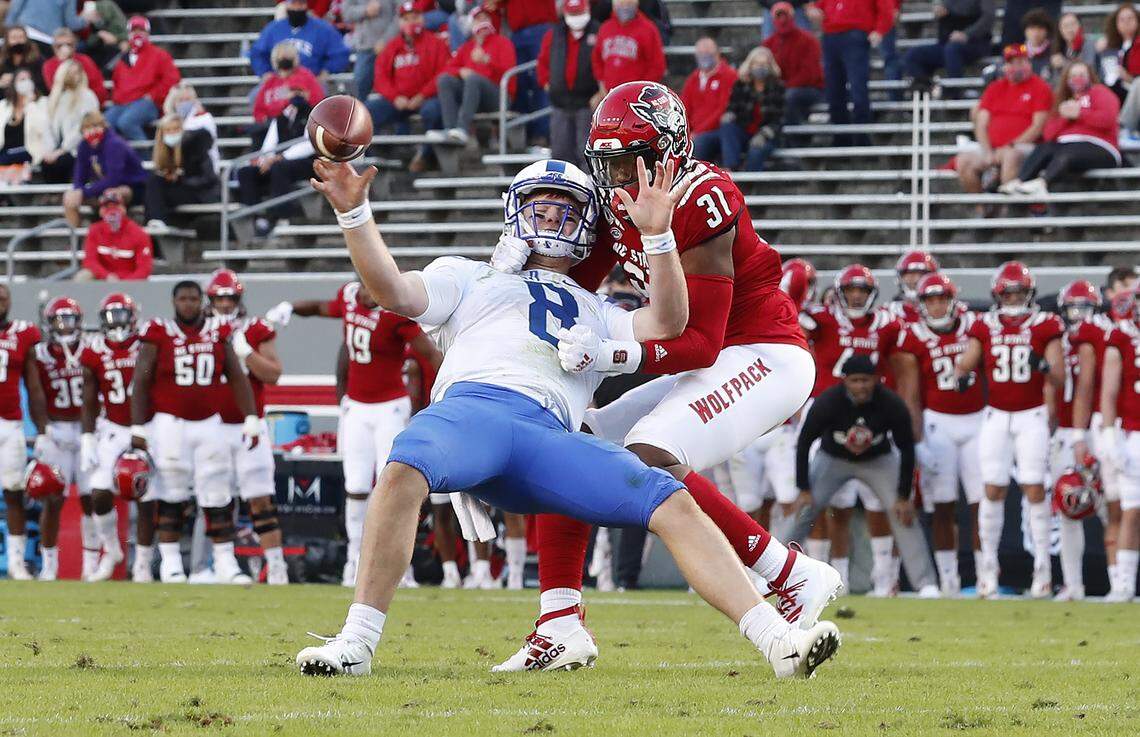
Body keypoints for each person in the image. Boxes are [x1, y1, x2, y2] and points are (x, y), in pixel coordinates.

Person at [294, 155, 840, 679]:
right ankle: (358, 641)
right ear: (513, 213)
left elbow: (672, 323)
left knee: (668, 496)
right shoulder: (467, 276)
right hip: (472, 412)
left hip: (549, 441)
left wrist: (658, 236)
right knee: (403, 465)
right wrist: (354, 215)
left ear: (589, 222)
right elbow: (391, 289)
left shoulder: (602, 309)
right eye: (540, 205)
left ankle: (778, 640)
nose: (552, 216)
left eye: (565, 207)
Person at [491, 82, 841, 670]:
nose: (622, 177)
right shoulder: (616, 201)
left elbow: (700, 344)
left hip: (763, 351)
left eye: (634, 160)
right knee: (571, 448)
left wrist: (608, 355)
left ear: (670, 152)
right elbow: (572, 290)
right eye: (611, 163)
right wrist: (506, 281)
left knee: (649, 450)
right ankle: (559, 620)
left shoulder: (703, 197)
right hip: (711, 355)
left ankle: (789, 573)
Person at [266, 280, 443, 587]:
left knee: (394, 487)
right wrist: (291, 307)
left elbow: (431, 353)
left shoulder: (396, 312)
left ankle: (400, 566)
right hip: (358, 409)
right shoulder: (349, 297)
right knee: (357, 486)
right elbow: (322, 308)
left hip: (390, 407)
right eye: (365, 285)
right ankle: (354, 561)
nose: (367, 293)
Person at [129, 281, 261, 584]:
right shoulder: (158, 331)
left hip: (209, 423)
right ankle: (171, 563)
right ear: (174, 302)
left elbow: (236, 377)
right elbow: (142, 381)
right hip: (170, 423)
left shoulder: (218, 331)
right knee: (171, 493)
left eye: (192, 299)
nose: (188, 304)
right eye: (182, 299)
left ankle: (225, 562)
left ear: (201, 301)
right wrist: (138, 425)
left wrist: (251, 416)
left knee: (217, 493)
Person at [954, 261, 1064, 598]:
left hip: (1031, 414)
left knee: (1034, 488)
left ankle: (1042, 570)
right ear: (998, 294)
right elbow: (963, 367)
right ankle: (988, 569)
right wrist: (965, 376)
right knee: (993, 489)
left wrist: (1042, 365)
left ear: (1029, 294)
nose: (1014, 297)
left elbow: (1059, 377)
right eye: (1009, 292)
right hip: (997, 416)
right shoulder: (984, 325)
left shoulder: (1046, 324)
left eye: (1019, 292)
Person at [792, 354, 938, 595]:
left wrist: (903, 495)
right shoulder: (828, 401)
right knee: (803, 509)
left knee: (903, 513)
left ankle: (926, 584)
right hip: (833, 459)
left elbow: (906, 448)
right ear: (845, 381)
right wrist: (804, 488)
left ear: (876, 380)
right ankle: (769, 573)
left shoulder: (891, 403)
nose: (861, 386)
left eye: (866, 380)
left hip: (877, 460)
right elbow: (805, 441)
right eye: (855, 381)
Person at [799, 265, 904, 596]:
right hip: (828, 416)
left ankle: (884, 579)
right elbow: (791, 325)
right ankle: (830, 578)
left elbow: (902, 363)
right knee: (833, 505)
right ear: (839, 294)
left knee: (878, 503)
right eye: (851, 290)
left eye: (862, 290)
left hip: (873, 418)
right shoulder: (822, 319)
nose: (857, 296)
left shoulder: (887, 325)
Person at [892, 273, 984, 597]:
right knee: (943, 505)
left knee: (980, 504)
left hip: (978, 420)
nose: (936, 305)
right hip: (938, 423)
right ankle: (949, 580)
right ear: (921, 304)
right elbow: (910, 394)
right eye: (930, 300)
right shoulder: (912, 336)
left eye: (942, 298)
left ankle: (985, 576)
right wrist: (917, 442)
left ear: (953, 300)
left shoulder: (975, 325)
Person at [204, 270, 290, 586]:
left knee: (261, 497)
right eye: (219, 297)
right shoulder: (201, 330)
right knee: (216, 497)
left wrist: (245, 351)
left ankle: (276, 566)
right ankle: (222, 563)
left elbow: (273, 374)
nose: (224, 303)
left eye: (230, 297)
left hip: (249, 426)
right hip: (210, 426)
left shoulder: (254, 329)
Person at [1045, 280, 1106, 601]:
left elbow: (1090, 387)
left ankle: (1120, 582)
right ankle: (1073, 583)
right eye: (1072, 308)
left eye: (1084, 308)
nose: (1078, 315)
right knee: (1067, 506)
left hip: (1097, 427)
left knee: (1113, 508)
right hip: (1066, 431)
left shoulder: (1101, 337)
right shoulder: (1057, 342)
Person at [79, 293, 144, 581]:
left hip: (147, 426)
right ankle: (112, 549)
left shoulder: (147, 345)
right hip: (113, 426)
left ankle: (144, 563)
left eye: (121, 315)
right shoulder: (94, 350)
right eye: (110, 316)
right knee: (99, 491)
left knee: (149, 495)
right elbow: (89, 398)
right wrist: (87, 436)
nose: (116, 323)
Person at [31, 298, 94, 581]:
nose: (64, 327)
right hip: (56, 430)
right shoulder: (40, 354)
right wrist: (44, 430)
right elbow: (36, 393)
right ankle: (49, 565)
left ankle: (92, 565)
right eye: (58, 320)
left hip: (88, 430)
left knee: (90, 498)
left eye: (69, 320)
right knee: (53, 500)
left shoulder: (93, 348)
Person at [1004, 62, 1121, 197]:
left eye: (1082, 75)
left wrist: (1080, 113)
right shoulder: (1061, 101)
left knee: (1067, 154)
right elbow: (1048, 134)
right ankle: (1020, 181)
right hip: (1066, 144)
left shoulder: (1100, 92)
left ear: (1090, 76)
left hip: (1100, 146)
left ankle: (1043, 183)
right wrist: (1065, 117)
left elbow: (1108, 119)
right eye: (1073, 75)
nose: (1077, 79)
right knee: (1043, 149)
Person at [957, 45, 1052, 199]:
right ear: (1005, 66)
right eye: (1012, 63)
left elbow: (1038, 127)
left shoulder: (1040, 87)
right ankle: (982, 208)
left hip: (1025, 146)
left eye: (1021, 62)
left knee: (1011, 156)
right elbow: (981, 123)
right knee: (963, 161)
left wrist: (1009, 146)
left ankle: (1007, 210)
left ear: (1029, 63)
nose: (1016, 67)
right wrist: (988, 151)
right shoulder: (995, 88)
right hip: (992, 148)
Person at [0, 287, 48, 581]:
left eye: (3, 298)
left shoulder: (23, 334)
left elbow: (34, 387)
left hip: (10, 424)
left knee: (14, 492)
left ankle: (17, 562)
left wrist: (42, 430)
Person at [1099, 289, 1140, 602]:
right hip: (1133, 434)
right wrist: (1111, 436)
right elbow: (1109, 392)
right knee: (1131, 510)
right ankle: (1123, 583)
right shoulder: (1121, 336)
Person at [432, 4, 516, 144]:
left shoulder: (503, 42)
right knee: (445, 80)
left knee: (473, 79)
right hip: (474, 99)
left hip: (500, 97)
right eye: (478, 18)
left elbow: (510, 74)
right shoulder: (467, 47)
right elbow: (446, 69)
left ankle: (462, 129)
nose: (483, 21)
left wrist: (487, 60)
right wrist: (460, 71)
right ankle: (451, 130)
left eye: (485, 17)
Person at [815, 0, 893, 145]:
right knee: (833, 91)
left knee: (858, 89)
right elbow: (820, 6)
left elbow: (886, 6)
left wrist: (880, 30)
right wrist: (815, 10)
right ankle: (841, 138)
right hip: (831, 35)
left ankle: (862, 137)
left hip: (855, 33)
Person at [237, 97, 316, 238]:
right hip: (277, 163)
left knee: (280, 167)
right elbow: (268, 146)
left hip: (305, 163)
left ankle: (281, 215)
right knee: (246, 172)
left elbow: (308, 145)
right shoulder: (280, 118)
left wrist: (281, 157)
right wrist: (265, 161)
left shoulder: (313, 115)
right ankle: (256, 216)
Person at [367, 2, 447, 138]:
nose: (411, 22)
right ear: (400, 22)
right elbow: (380, 77)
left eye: (415, 18)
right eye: (406, 19)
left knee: (433, 110)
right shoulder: (392, 46)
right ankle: (375, 154)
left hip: (427, 98)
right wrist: (395, 97)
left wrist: (422, 95)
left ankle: (427, 155)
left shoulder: (436, 43)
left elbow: (443, 74)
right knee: (366, 111)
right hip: (399, 100)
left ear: (423, 19)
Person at [536, 0, 598, 171]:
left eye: (579, 13)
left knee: (587, 152)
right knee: (561, 151)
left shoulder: (598, 32)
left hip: (587, 102)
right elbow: (542, 62)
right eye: (573, 14)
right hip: (560, 103)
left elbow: (602, 64)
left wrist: (601, 91)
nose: (577, 18)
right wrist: (546, 83)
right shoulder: (554, 34)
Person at [64, 111, 147, 228]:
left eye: (96, 126)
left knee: (112, 194)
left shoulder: (114, 144)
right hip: (103, 187)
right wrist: (78, 191)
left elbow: (114, 179)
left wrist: (85, 192)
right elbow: (79, 176)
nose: (92, 131)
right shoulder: (84, 146)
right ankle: (73, 240)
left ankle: (115, 235)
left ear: (104, 126)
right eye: (87, 128)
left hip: (132, 187)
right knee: (69, 197)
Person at [106, 16, 181, 141]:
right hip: (123, 103)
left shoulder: (159, 55)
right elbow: (116, 82)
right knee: (105, 125)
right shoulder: (123, 59)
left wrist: (153, 95)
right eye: (134, 31)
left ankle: (145, 157)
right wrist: (117, 98)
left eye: (141, 30)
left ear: (147, 33)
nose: (137, 34)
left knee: (126, 122)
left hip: (147, 103)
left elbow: (172, 79)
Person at [144, 114, 220, 229]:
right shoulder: (165, 151)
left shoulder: (195, 147)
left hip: (200, 193)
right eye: (168, 130)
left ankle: (156, 222)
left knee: (155, 191)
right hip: (181, 190)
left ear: (182, 130)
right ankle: (155, 223)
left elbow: (209, 178)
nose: (172, 133)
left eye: (175, 129)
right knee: (154, 182)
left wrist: (181, 179)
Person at [249, 0, 351, 86]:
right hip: (279, 83)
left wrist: (326, 71)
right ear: (287, 5)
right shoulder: (273, 28)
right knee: (256, 97)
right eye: (293, 4)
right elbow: (257, 53)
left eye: (301, 4)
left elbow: (340, 53)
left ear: (306, 5)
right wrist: (265, 73)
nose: (297, 8)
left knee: (317, 102)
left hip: (311, 83)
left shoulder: (322, 28)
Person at [717, 47, 785, 172]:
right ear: (751, 65)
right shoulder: (741, 85)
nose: (760, 67)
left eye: (764, 64)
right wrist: (730, 115)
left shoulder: (777, 87)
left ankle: (748, 183)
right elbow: (732, 108)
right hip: (745, 130)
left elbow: (779, 119)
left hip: (766, 135)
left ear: (770, 66)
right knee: (726, 126)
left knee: (756, 151)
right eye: (757, 64)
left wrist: (763, 134)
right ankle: (731, 167)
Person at [499, 0, 557, 144]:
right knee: (518, 84)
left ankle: (542, 134)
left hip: (540, 27)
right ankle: (524, 135)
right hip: (517, 31)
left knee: (541, 81)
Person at [903, 0, 995, 85]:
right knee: (913, 55)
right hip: (946, 44)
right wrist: (939, 12)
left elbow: (988, 17)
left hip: (975, 43)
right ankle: (925, 92)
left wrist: (967, 34)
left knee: (952, 50)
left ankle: (954, 93)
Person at [763, 1, 823, 128]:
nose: (782, 20)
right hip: (787, 88)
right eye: (779, 16)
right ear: (773, 19)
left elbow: (810, 74)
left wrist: (785, 86)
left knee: (789, 96)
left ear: (792, 17)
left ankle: (795, 137)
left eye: (785, 16)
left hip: (810, 88)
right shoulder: (769, 44)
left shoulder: (808, 41)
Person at [591, 0, 665, 98]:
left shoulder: (648, 29)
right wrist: (601, 85)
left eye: (629, 3)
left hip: (637, 97)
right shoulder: (605, 28)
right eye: (621, 3)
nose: (625, 6)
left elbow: (657, 66)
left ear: (637, 3)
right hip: (609, 95)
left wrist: (640, 91)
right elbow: (596, 59)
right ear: (613, 4)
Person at [682, 37, 738, 166]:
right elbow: (684, 108)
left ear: (717, 54)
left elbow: (723, 109)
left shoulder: (729, 76)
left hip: (717, 131)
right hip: (695, 132)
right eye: (701, 54)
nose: (704, 57)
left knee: (697, 146)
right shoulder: (693, 79)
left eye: (708, 54)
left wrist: (698, 132)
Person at [41, 60, 97, 184]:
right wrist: (50, 151)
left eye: (77, 73)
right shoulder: (54, 98)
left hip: (77, 148)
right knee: (45, 162)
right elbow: (47, 127)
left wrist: (63, 149)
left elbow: (83, 127)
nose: (73, 76)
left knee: (63, 161)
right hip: (56, 149)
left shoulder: (87, 96)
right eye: (70, 73)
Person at [76, 191, 154, 281]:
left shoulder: (138, 233)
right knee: (83, 276)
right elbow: (90, 261)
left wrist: (127, 283)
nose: (111, 211)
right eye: (107, 207)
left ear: (123, 209)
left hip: (130, 280)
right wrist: (107, 276)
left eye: (115, 206)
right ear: (101, 211)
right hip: (104, 278)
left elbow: (144, 268)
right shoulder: (94, 230)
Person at [253, 42, 326, 124]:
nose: (284, 61)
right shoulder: (271, 82)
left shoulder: (305, 77)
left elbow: (317, 102)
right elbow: (259, 111)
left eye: (287, 57)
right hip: (273, 126)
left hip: (299, 125)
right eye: (280, 58)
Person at [342, 0, 401, 100]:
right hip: (365, 47)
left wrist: (386, 40)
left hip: (394, 47)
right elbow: (346, 13)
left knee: (398, 88)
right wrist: (365, 10)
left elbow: (403, 13)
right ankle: (358, 114)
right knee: (359, 87)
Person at [0, 68, 47, 186]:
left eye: (28, 79)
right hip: (7, 152)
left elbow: (43, 128)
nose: (26, 82)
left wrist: (30, 103)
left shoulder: (41, 103)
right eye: (22, 79)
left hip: (29, 151)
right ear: (14, 84)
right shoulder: (3, 105)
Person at [164, 82, 221, 174]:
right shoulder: (168, 121)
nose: (184, 103)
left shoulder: (204, 118)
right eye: (180, 100)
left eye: (187, 99)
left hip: (203, 170)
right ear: (173, 102)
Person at [42, 28, 108, 107]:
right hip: (63, 104)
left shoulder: (84, 60)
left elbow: (95, 84)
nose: (64, 48)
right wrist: (63, 62)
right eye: (59, 46)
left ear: (74, 46)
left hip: (88, 103)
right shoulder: (49, 65)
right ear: (54, 47)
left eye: (68, 44)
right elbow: (54, 88)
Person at [4, 0, 84, 56]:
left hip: (26, 34)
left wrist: (8, 34)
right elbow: (71, 23)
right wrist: (87, 19)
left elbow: (14, 10)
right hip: (47, 41)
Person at [1096, 2, 1139, 103]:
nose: (1126, 22)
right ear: (1115, 24)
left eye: (1130, 18)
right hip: (1110, 97)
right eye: (1122, 19)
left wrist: (1130, 79)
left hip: (1133, 98)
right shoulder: (1108, 47)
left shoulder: (1137, 45)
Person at [80, 0, 130, 70]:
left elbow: (123, 30)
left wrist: (118, 38)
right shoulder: (84, 7)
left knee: (124, 48)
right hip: (95, 46)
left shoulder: (107, 4)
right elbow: (90, 41)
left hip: (114, 43)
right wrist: (100, 33)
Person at [0, 25, 46, 95]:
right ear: (7, 41)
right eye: (13, 38)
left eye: (21, 37)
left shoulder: (37, 59)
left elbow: (43, 83)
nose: (18, 41)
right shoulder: (2, 59)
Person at [1020, 8, 1055, 80]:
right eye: (1032, 28)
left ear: (1047, 31)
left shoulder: (1054, 50)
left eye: (1040, 28)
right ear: (1025, 30)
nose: (1036, 33)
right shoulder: (1018, 52)